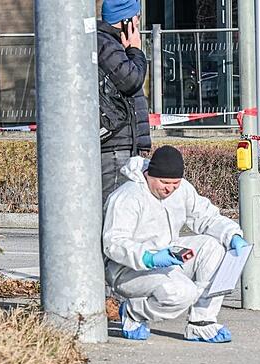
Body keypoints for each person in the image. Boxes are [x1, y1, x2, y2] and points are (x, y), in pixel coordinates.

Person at [102, 146, 249, 343]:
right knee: (182, 293)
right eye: (164, 182)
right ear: (149, 175)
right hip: (128, 269)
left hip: (168, 257)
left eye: (175, 183)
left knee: (214, 247)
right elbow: (113, 242)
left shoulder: (183, 190)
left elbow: (207, 217)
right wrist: (149, 257)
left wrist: (232, 235)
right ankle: (133, 312)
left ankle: (201, 321)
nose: (169, 188)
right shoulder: (127, 196)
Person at [97, 0, 152, 208]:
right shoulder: (106, 44)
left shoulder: (110, 44)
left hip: (121, 144)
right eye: (136, 19)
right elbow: (131, 80)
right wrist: (135, 50)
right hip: (115, 146)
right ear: (126, 21)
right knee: (115, 211)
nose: (138, 25)